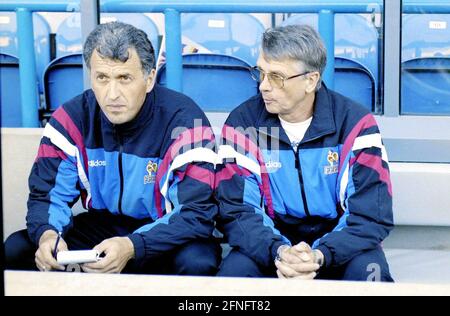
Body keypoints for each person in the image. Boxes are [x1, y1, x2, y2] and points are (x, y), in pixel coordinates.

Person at [5, 22, 220, 275]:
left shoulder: (185, 121)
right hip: (104, 225)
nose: (112, 94)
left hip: (166, 230)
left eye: (124, 78)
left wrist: (133, 246)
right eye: (102, 78)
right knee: (16, 248)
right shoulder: (72, 118)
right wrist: (48, 235)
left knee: (197, 261)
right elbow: (48, 196)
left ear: (149, 79)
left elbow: (196, 211)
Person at [215, 24, 394, 281]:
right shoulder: (243, 123)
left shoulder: (355, 124)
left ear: (311, 80)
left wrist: (320, 255)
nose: (264, 86)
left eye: (276, 76)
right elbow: (237, 210)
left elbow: (371, 213)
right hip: (270, 241)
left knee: (370, 275)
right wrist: (279, 251)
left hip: (342, 243)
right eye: (260, 73)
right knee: (234, 275)